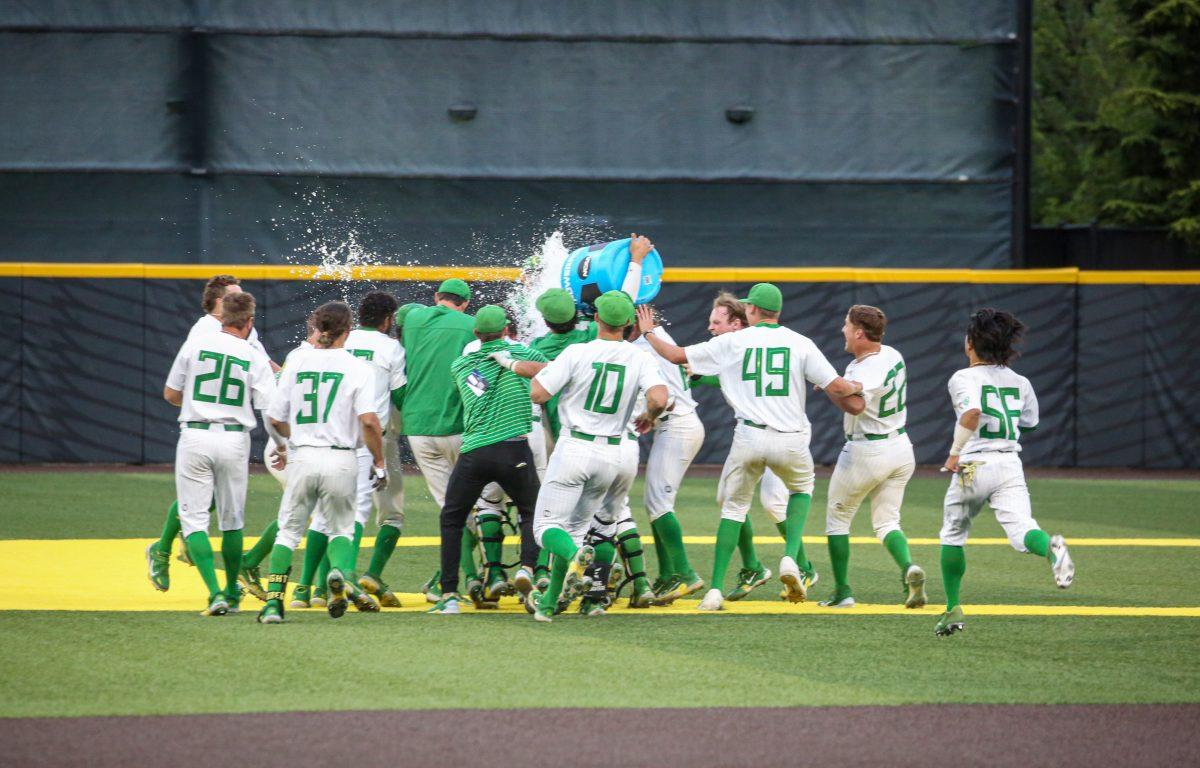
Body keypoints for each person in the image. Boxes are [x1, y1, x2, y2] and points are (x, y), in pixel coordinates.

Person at [637, 283, 863, 611]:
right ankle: (790, 558)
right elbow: (839, 387)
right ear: (779, 312)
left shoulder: (734, 341)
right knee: (800, 492)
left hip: (750, 436)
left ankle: (714, 589)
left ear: (752, 311)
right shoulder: (800, 342)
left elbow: (674, 355)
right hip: (790, 437)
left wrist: (648, 332)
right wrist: (858, 386)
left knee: (732, 508)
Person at [511, 291, 668, 622]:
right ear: (627, 323)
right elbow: (659, 397)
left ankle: (573, 559)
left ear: (596, 318)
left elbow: (539, 393)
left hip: (576, 446)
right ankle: (552, 602)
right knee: (593, 528)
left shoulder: (577, 351)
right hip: (614, 451)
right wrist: (650, 416)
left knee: (547, 528)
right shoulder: (640, 358)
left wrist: (537, 373)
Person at [935, 309, 1074, 637]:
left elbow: (971, 414)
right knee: (1023, 531)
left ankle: (953, 608)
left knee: (953, 534)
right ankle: (1050, 549)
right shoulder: (1020, 382)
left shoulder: (962, 378)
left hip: (972, 464)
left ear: (970, 344)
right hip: (1009, 464)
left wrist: (954, 455)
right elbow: (1030, 424)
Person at [146, 274, 277, 591]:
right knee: (208, 506)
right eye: (235, 293)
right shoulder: (204, 330)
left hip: (217, 431)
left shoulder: (241, 327)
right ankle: (163, 548)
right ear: (219, 302)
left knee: (208, 503)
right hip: (214, 425)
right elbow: (178, 387)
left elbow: (263, 361)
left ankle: (175, 550)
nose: (241, 296)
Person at [257, 301, 386, 624]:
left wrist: (286, 444)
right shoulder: (357, 367)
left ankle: (274, 604)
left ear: (319, 328)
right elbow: (369, 421)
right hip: (341, 456)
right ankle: (339, 575)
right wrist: (380, 462)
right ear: (348, 330)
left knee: (288, 532)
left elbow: (274, 416)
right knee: (341, 528)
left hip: (303, 454)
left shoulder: (298, 360)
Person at [426, 306, 548, 614]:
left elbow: (477, 387)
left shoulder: (462, 363)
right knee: (533, 513)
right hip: (515, 450)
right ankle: (528, 569)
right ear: (507, 329)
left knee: (452, 519)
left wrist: (497, 363)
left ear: (477, 334)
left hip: (476, 452)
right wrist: (511, 362)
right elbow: (550, 368)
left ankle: (450, 595)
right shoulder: (523, 352)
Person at [364, 281, 476, 602]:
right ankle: (471, 577)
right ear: (466, 304)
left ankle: (313, 582)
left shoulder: (412, 318)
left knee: (326, 516)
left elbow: (403, 317)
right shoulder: (472, 325)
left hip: (414, 428)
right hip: (458, 425)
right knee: (472, 509)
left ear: (436, 298)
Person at [292, 291, 405, 610]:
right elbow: (400, 396)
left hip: (329, 433)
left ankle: (307, 589)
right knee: (371, 512)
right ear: (388, 320)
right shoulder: (392, 347)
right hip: (370, 437)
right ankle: (349, 577)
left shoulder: (343, 343)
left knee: (324, 512)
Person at [819, 305, 925, 609]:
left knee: (837, 520)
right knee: (887, 521)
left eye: (846, 325)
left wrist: (829, 384)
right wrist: (836, 385)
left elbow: (854, 406)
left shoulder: (862, 369)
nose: (843, 330)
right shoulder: (892, 354)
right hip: (901, 447)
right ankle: (908, 569)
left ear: (859, 333)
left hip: (868, 449)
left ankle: (842, 591)